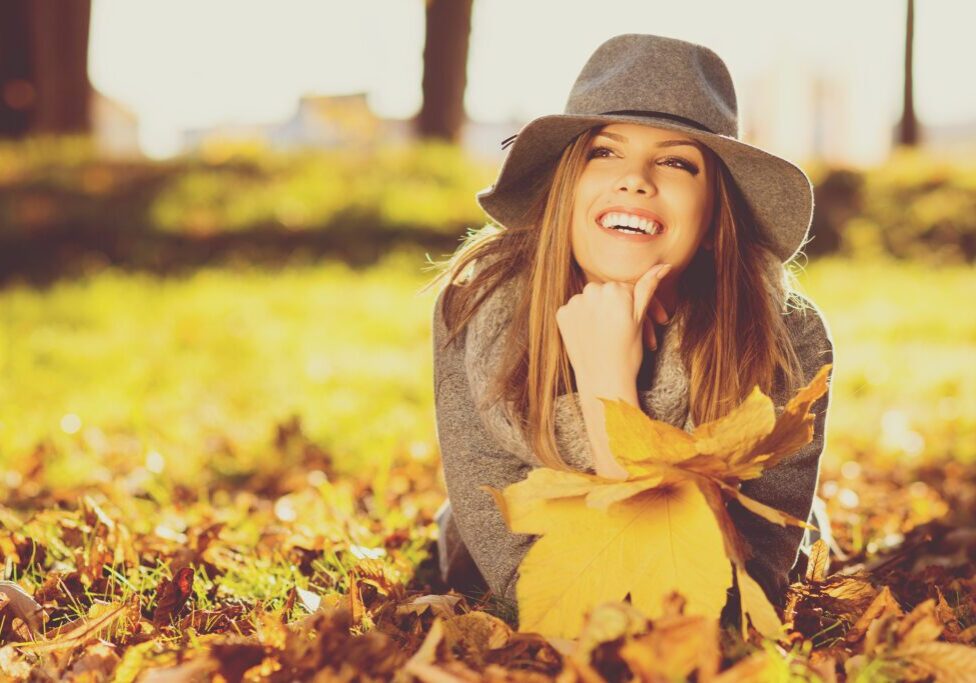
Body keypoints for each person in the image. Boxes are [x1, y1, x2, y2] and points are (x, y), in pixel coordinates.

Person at [426, 34, 835, 630]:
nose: (636, 180)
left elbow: (723, 603)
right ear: (567, 183)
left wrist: (608, 389)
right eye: (604, 152)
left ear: (715, 206)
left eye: (675, 162)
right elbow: (530, 592)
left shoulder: (784, 333)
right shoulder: (476, 308)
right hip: (488, 559)